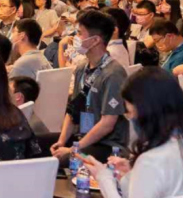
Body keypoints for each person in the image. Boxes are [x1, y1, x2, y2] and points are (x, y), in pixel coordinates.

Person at [81, 68, 183, 198]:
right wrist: (133, 175)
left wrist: (104, 178)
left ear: (146, 113)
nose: (130, 119)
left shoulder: (151, 160)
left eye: (130, 112)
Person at [51, 10, 130, 162]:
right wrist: (61, 141)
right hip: (83, 136)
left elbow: (107, 123)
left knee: (59, 160)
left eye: (80, 33)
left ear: (95, 40)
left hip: (107, 146)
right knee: (38, 145)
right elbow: (72, 110)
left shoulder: (113, 73)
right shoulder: (82, 67)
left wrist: (73, 149)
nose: (75, 37)